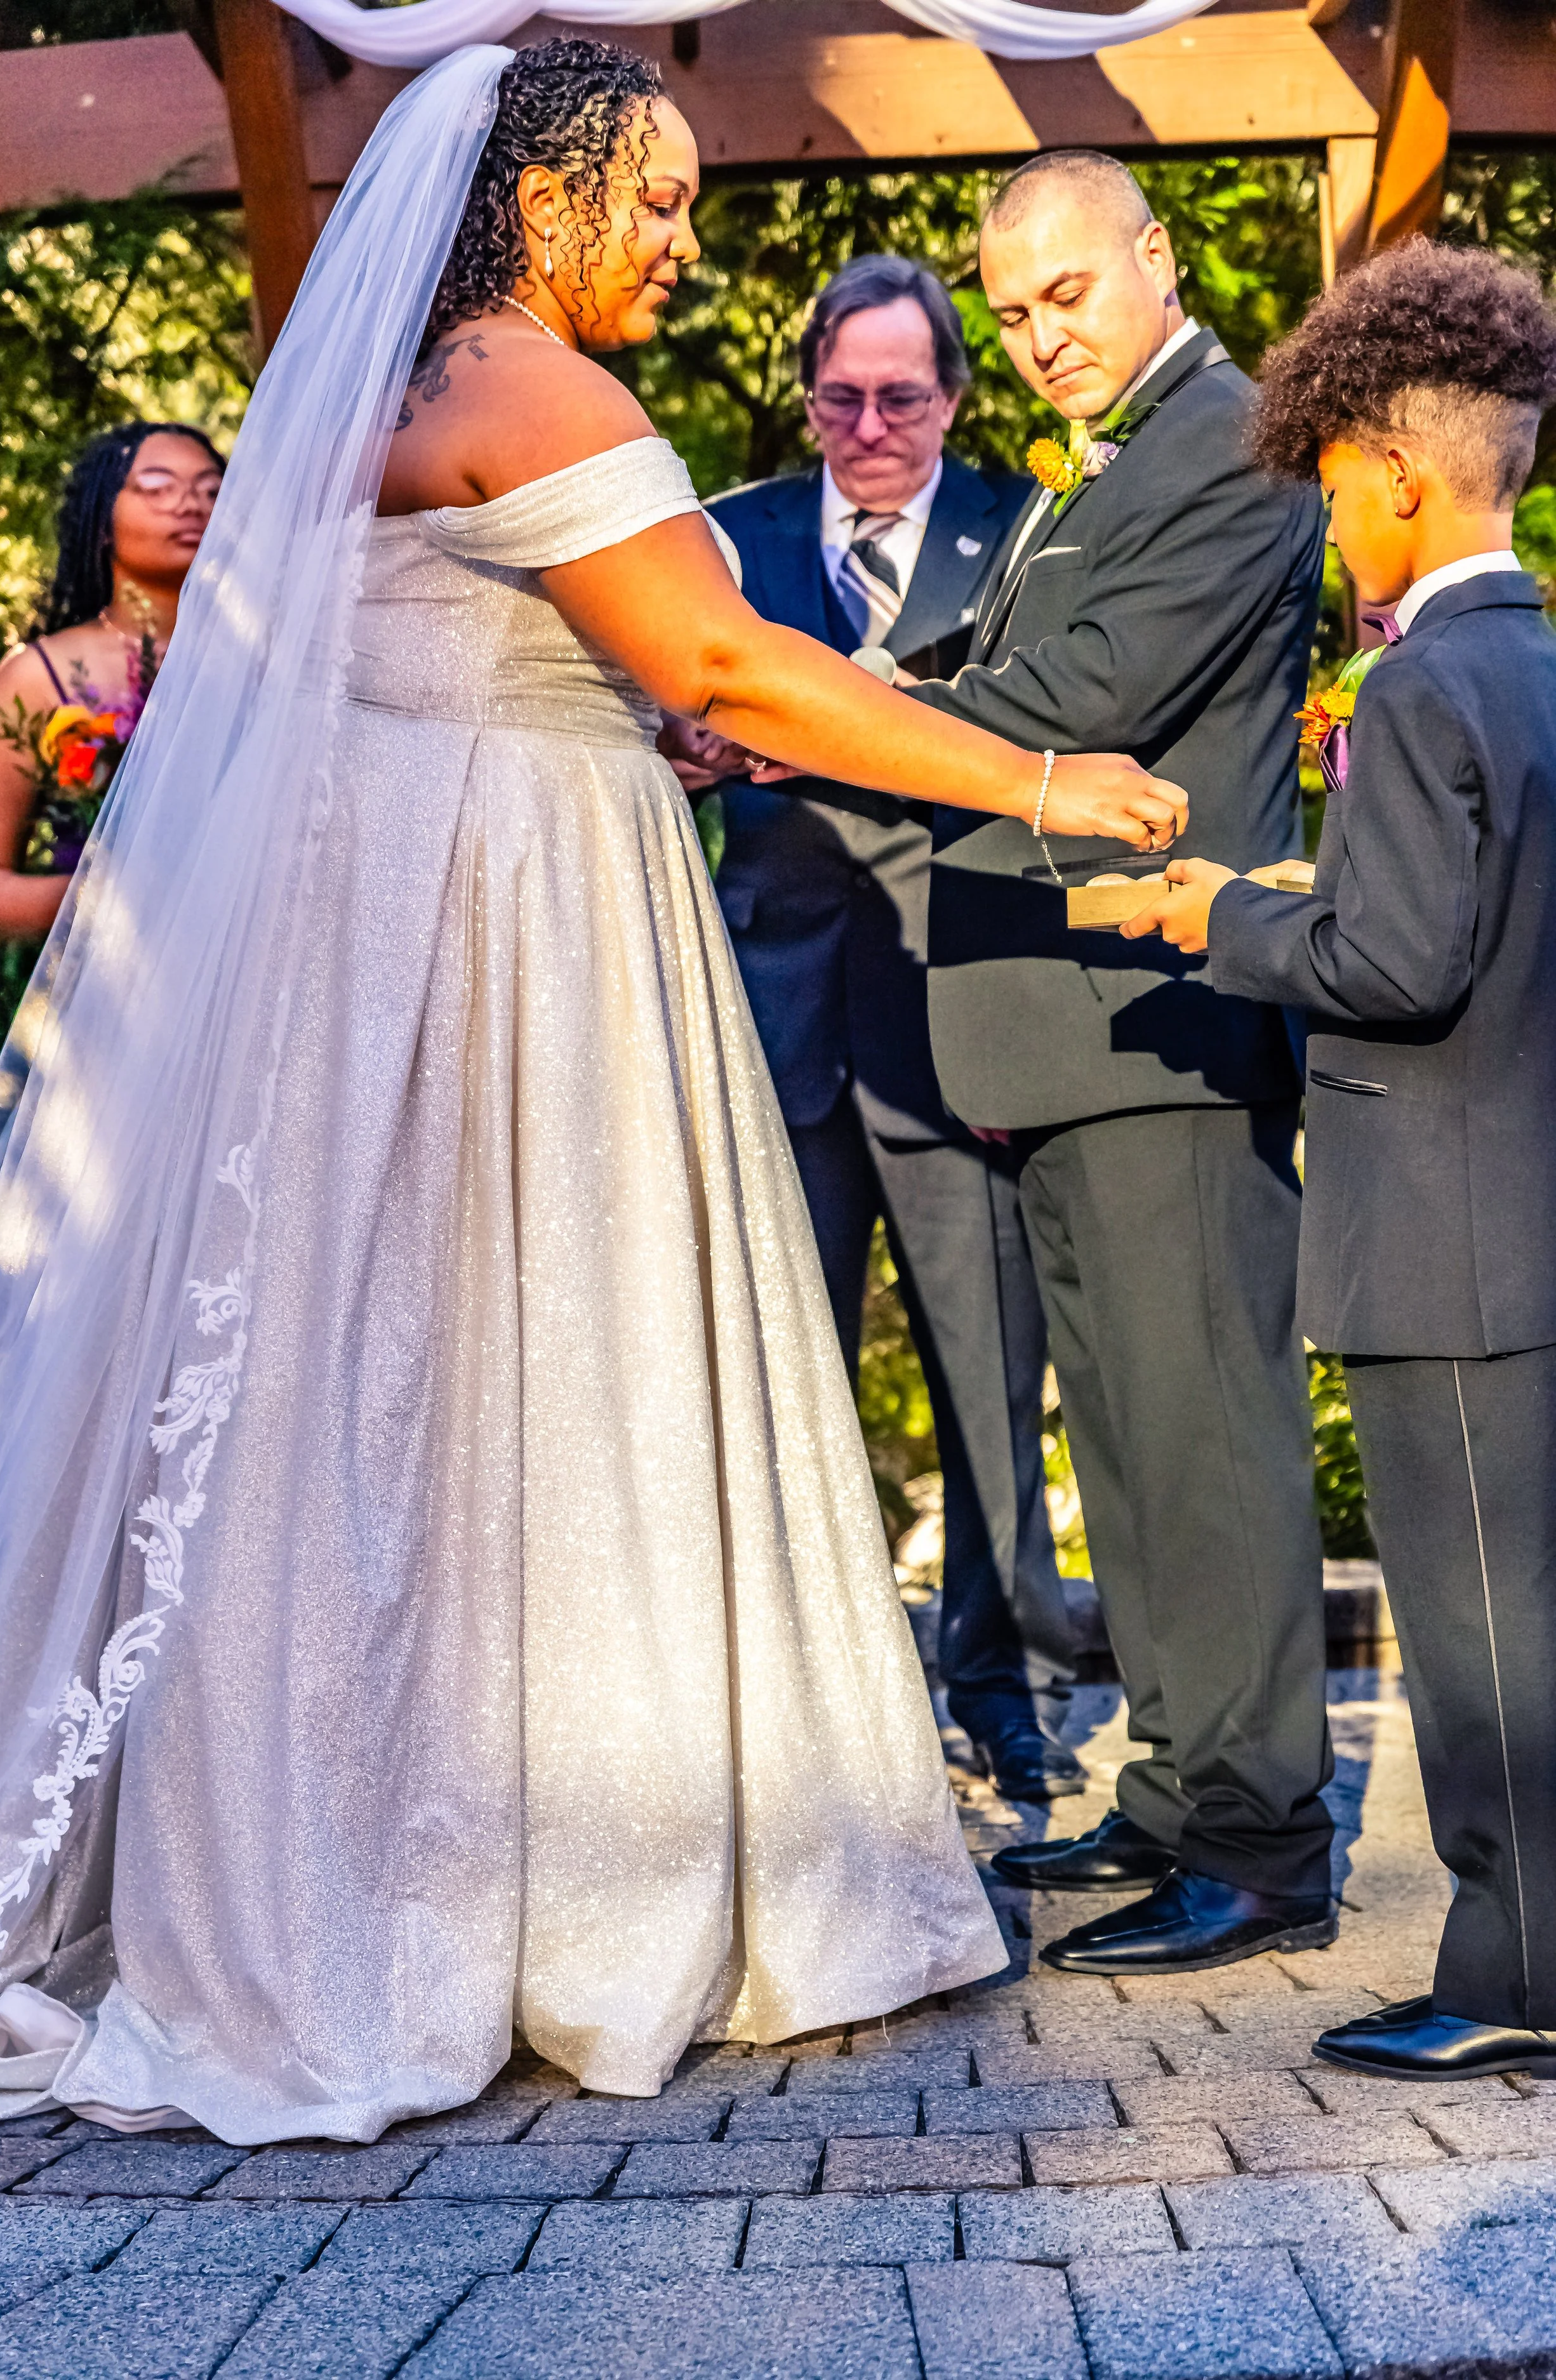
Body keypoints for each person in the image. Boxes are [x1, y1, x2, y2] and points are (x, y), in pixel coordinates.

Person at [0, 43, 1184, 2139]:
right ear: (539, 199)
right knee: (540, 1392)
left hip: (403, 958)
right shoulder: (537, 383)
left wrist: (639, 716)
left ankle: (362, 1874)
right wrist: (1040, 779)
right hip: (513, 956)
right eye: (658, 196)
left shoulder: (389, 391)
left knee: (385, 1422)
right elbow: (723, 658)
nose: (682, 242)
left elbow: (497, 659)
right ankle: (545, 1905)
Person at [1127, 241, 1556, 2077]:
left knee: (1480, 1651)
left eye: (1325, 483)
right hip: (1523, 1221)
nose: (1325, 523)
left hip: (1444, 1252)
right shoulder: (1532, 664)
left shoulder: (1408, 694)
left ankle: (1513, 1977)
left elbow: (1393, 965)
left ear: (1388, 464)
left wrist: (1224, 912)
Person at [907, 150, 1336, 1974]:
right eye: (1006, 316)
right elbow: (1008, 651)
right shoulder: (1117, 454)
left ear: (1152, 261)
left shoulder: (1235, 439)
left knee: (1206, 1445)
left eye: (1062, 295)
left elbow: (1078, 691)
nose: (1034, 340)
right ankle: (1173, 1793)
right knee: (1135, 1455)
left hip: (1162, 1022)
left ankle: (1257, 1838)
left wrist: (816, 710)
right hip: (1071, 1033)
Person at [693, 256, 1086, 1804]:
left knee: (991, 1377)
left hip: (960, 1022)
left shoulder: (1026, 533)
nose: (867, 423)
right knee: (780, 1384)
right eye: (840, 397)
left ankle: (1003, 1691)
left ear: (953, 397)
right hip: (775, 1021)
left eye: (900, 395)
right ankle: (817, 1722)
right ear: (809, 398)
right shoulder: (727, 537)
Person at [0, 425, 223, 1208]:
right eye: (156, 485)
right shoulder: (37, 676)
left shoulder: (281, 654)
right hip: (109, 1012)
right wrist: (95, 894)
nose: (189, 503)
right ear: (98, 515)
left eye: (211, 489)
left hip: (260, 978)